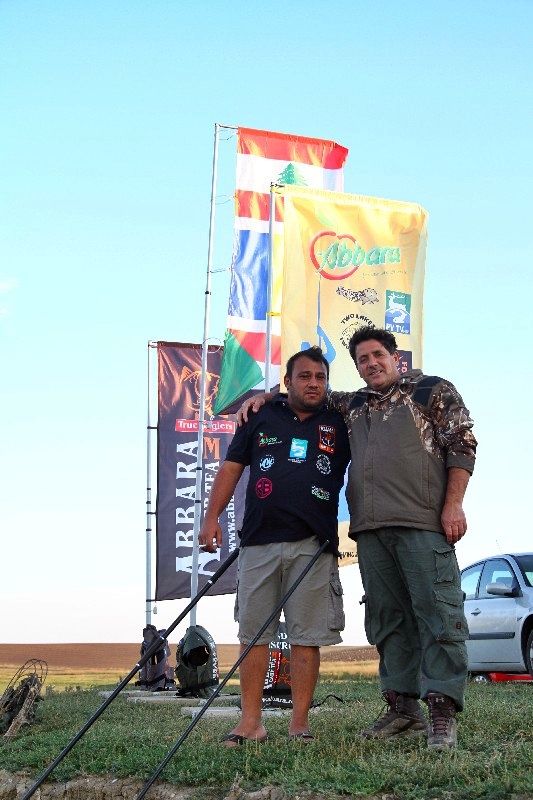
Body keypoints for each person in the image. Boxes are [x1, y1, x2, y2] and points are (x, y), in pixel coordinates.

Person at [238, 327, 477, 751]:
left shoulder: (431, 391)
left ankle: (441, 710)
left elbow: (462, 445)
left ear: (395, 357)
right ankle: (402, 708)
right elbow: (304, 393)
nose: (371, 363)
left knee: (438, 613)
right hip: (369, 530)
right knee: (387, 620)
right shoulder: (352, 404)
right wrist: (266, 396)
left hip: (423, 523)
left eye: (377, 355)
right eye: (362, 359)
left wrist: (453, 505)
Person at [199, 346, 350, 746]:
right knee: (253, 634)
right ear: (288, 382)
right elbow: (232, 467)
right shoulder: (260, 415)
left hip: (313, 544)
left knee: (306, 637)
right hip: (258, 542)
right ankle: (251, 722)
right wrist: (211, 517)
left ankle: (299, 723)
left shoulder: (341, 420)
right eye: (305, 376)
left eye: (320, 377)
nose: (313, 383)